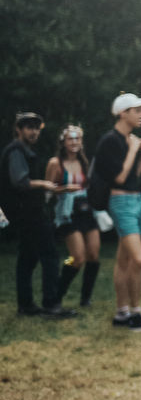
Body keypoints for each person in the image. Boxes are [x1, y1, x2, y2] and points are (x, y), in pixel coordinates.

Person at [1, 112, 77, 318]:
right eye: (29, 127)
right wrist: (43, 183)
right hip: (29, 213)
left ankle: (25, 306)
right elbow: (20, 182)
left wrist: (58, 188)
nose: (34, 132)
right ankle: (51, 305)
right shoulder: (16, 150)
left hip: (25, 212)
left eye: (36, 128)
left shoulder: (24, 150)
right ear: (18, 129)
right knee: (50, 256)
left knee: (27, 258)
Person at [95, 94, 141, 331]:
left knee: (124, 260)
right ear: (123, 113)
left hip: (135, 200)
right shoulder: (110, 141)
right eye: (137, 111)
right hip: (121, 204)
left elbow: (132, 176)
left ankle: (122, 313)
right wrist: (132, 150)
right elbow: (118, 178)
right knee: (138, 258)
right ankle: (135, 313)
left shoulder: (129, 140)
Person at [46, 124, 101, 308]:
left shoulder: (84, 162)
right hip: (66, 214)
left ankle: (86, 298)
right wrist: (63, 188)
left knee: (93, 254)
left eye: (78, 138)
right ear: (63, 142)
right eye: (71, 138)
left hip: (85, 211)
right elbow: (46, 192)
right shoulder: (55, 163)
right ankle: (57, 295)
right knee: (77, 257)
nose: (74, 142)